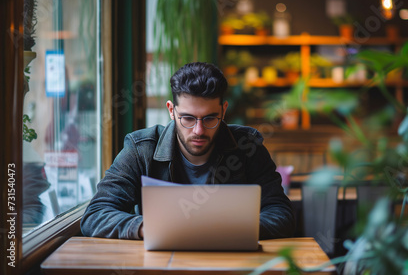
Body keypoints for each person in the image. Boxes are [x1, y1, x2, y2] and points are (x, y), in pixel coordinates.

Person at [81, 62, 295, 240]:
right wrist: (149, 228)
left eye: (210, 118)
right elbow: (95, 215)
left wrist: (232, 229)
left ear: (223, 110)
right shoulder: (141, 148)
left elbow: (282, 214)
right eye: (188, 118)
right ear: (171, 111)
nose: (199, 130)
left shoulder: (248, 147)